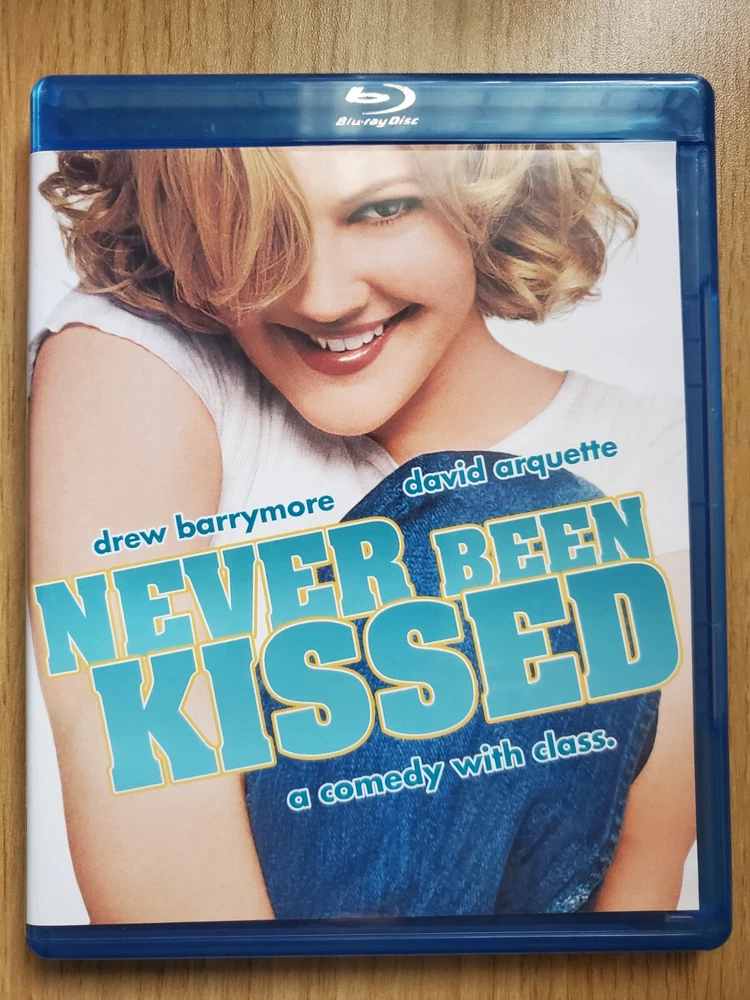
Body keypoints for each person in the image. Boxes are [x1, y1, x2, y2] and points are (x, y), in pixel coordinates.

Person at [29, 143, 696, 923]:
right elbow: (136, 772)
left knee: (531, 532)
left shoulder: (660, 458)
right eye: (248, 226)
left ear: (489, 194)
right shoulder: (138, 364)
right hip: (253, 973)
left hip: (508, 966)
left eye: (382, 209)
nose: (322, 297)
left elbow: (627, 914)